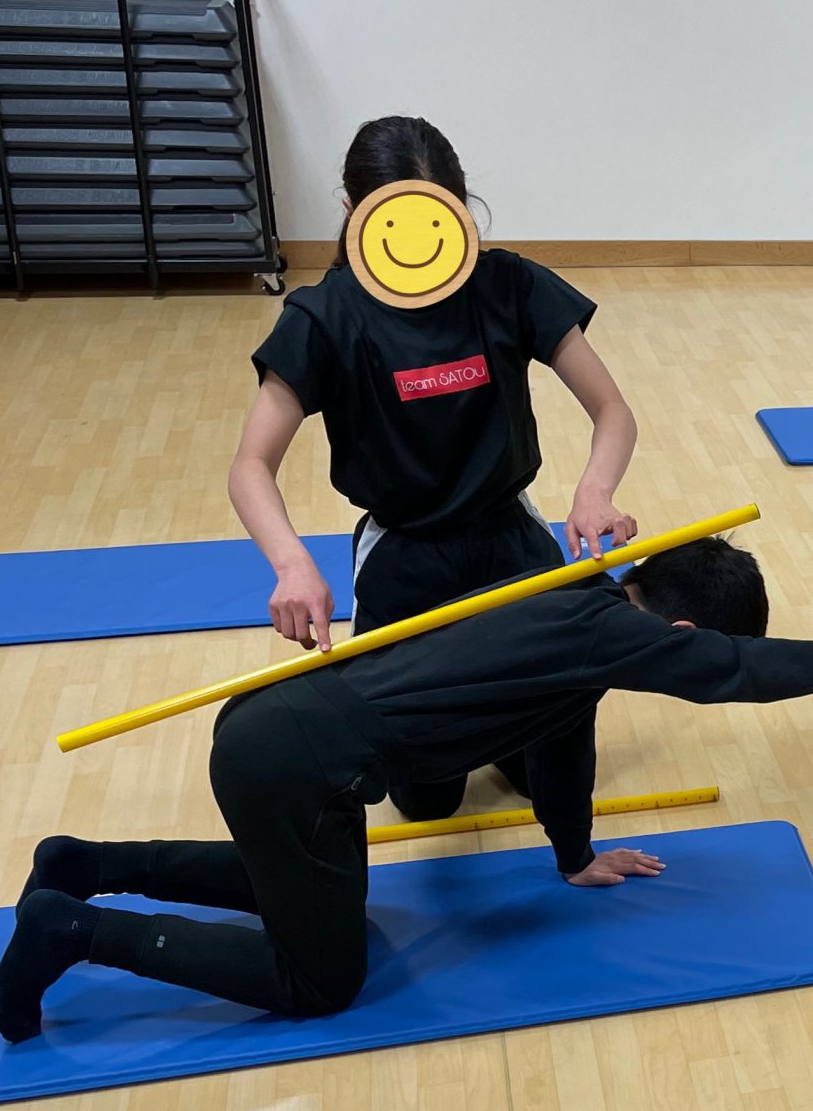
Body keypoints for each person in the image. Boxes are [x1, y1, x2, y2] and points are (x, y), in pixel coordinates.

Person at [0, 539, 813, 1040]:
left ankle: (84, 864)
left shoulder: (578, 611)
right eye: (692, 651)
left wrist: (574, 856)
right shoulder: (611, 633)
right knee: (320, 983)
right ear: (680, 632)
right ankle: (73, 928)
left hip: (282, 735)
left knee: (316, 898)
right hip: (293, 765)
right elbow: (742, 672)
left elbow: (560, 743)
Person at [228, 114, 642, 821]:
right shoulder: (324, 317)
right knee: (426, 801)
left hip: (511, 544)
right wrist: (292, 565)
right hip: (405, 559)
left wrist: (595, 493)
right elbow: (250, 466)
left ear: (458, 207)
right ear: (354, 213)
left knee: (542, 774)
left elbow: (613, 411)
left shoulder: (508, 284)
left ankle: (503, 720)